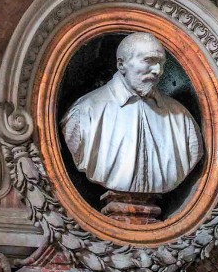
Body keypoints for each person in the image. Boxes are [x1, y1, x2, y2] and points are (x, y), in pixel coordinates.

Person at [60, 32, 203, 194]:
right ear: (121, 65)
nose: (158, 71)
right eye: (149, 61)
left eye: (161, 63)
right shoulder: (84, 113)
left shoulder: (182, 118)